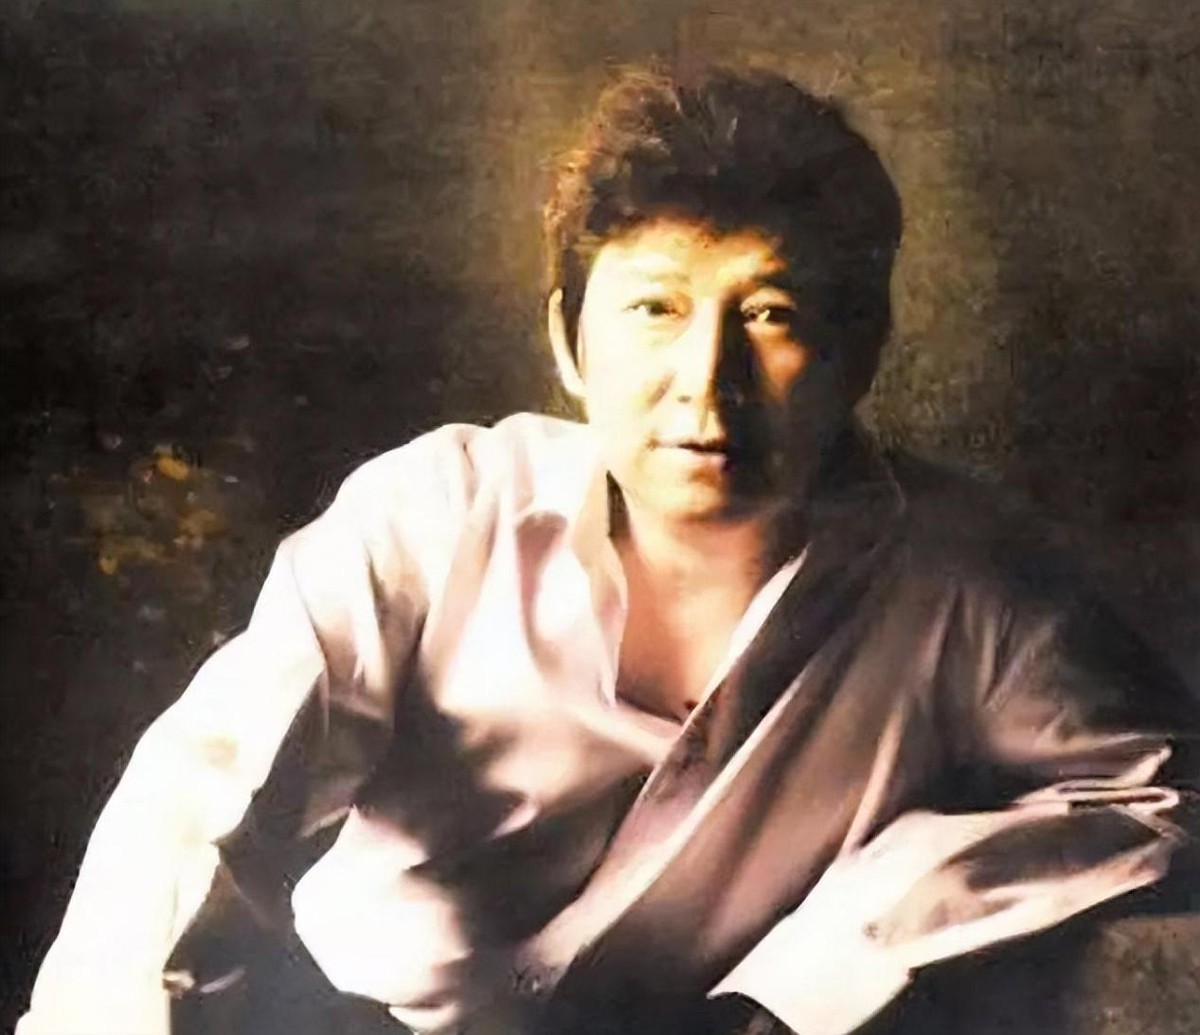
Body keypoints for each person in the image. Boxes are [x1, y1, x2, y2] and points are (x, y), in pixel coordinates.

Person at [18, 67, 1200, 1035]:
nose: (707, 383)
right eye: (655, 308)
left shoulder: (969, 581)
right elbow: (201, 798)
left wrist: (844, 951)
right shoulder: (436, 513)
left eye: (772, 314)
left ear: (862, 349)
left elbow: (1164, 792)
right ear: (567, 342)